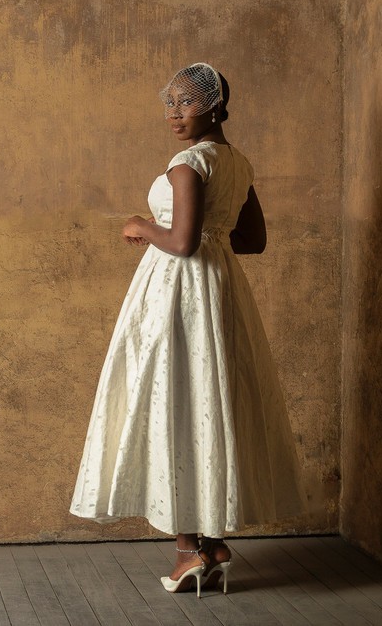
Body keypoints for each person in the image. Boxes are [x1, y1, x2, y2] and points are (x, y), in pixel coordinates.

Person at [70, 63, 306, 596]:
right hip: (220, 290)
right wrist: (212, 233)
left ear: (214, 105)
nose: (174, 113)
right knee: (210, 398)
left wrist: (141, 225)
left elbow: (181, 243)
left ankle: (186, 552)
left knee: (173, 400)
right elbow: (252, 240)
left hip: (177, 292)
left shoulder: (187, 163)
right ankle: (213, 544)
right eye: (169, 103)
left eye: (186, 102)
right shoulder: (237, 163)